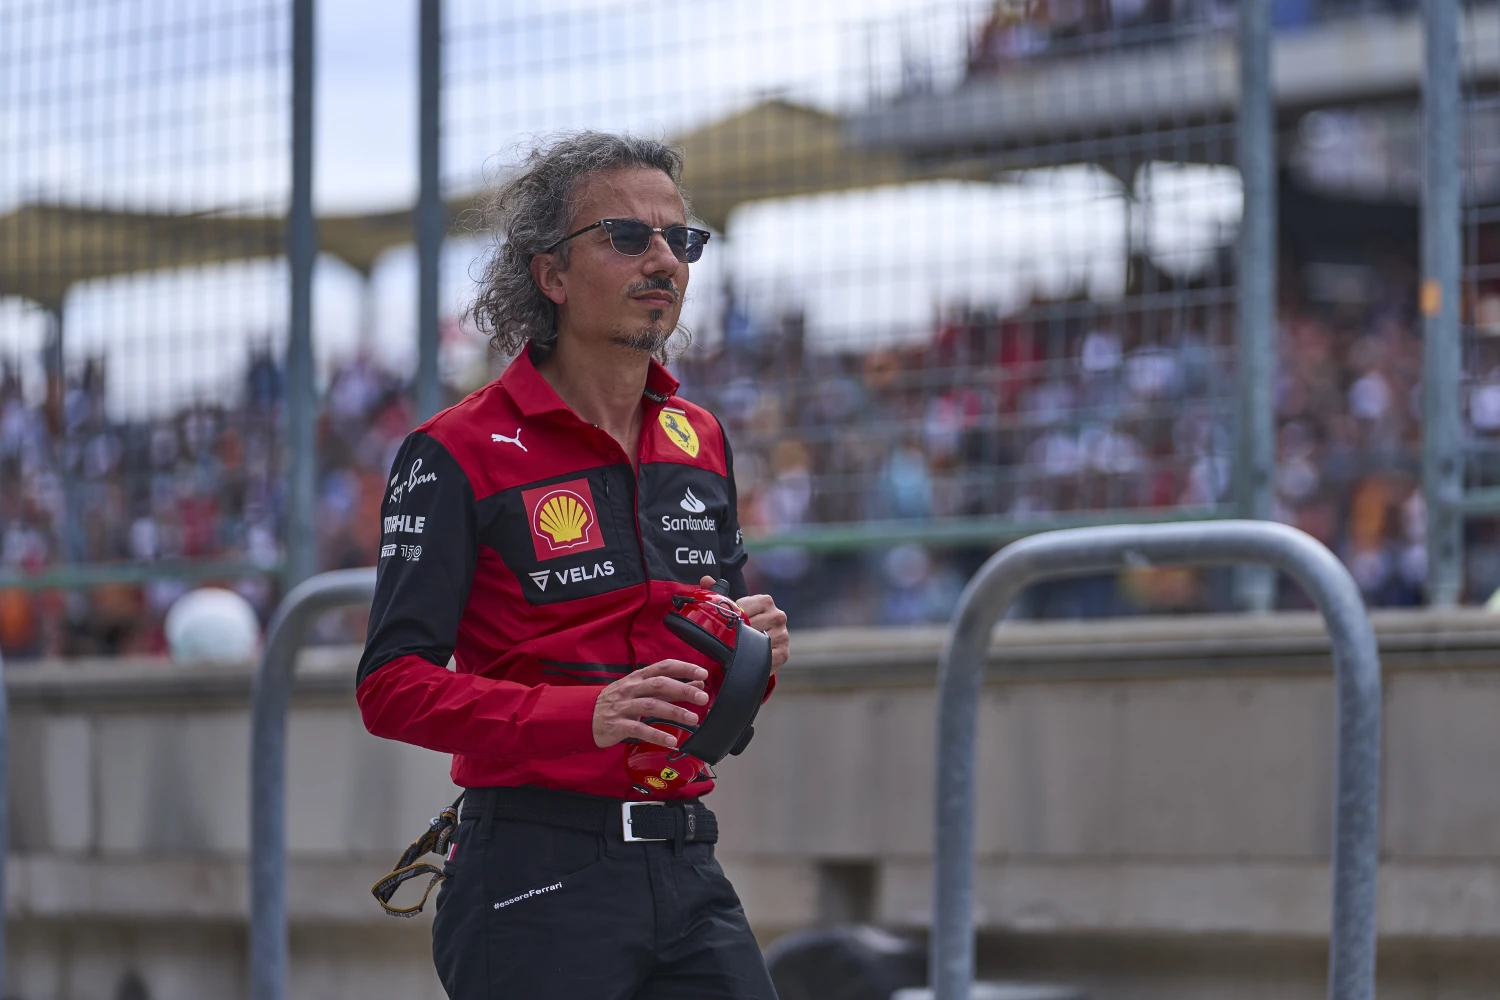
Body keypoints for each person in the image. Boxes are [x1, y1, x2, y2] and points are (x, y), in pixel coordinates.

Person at [356, 132, 790, 1000]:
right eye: (628, 236)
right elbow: (390, 687)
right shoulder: (455, 449)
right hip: (531, 872)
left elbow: (711, 696)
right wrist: (580, 715)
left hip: (685, 858)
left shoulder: (699, 437)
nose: (664, 258)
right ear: (549, 275)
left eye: (681, 239)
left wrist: (750, 655)